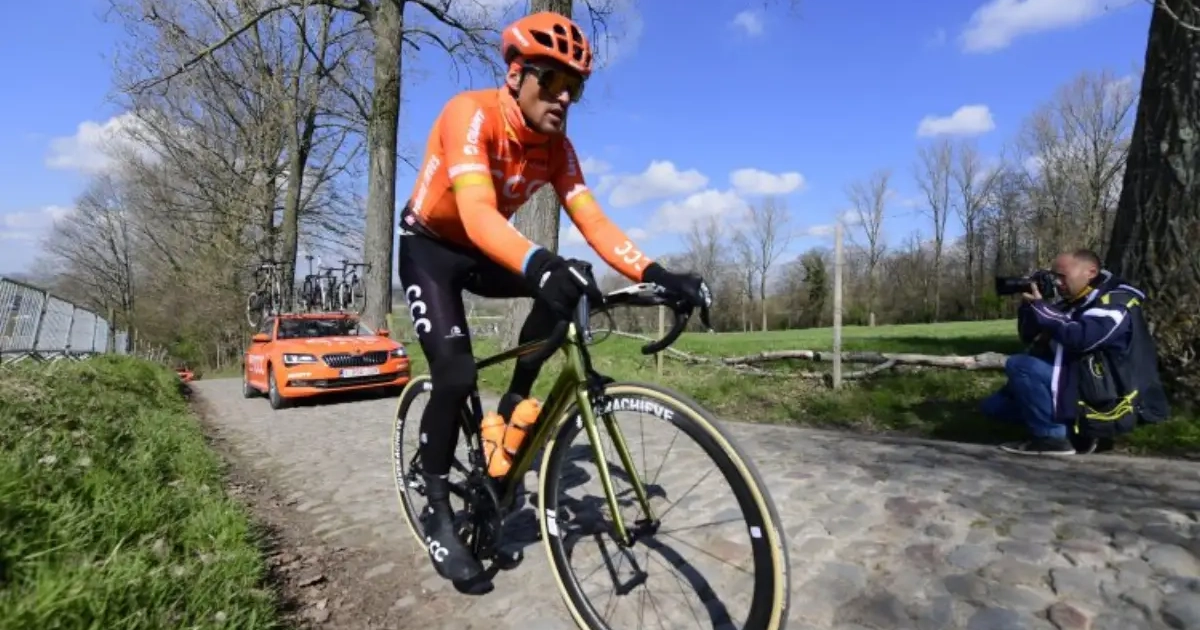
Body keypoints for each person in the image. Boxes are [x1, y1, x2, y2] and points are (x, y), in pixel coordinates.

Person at [396, 11, 712, 583]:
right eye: (551, 80)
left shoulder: (558, 149)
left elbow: (594, 222)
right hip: (432, 250)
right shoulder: (471, 114)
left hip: (485, 250)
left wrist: (660, 274)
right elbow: (477, 213)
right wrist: (539, 264)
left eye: (575, 87)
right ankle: (438, 510)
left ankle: (512, 405)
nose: (563, 97)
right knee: (456, 374)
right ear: (515, 76)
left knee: (573, 278)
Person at [981, 248, 1168, 456]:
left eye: (1062, 276)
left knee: (1021, 366)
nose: (1057, 282)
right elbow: (1029, 336)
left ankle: (1053, 439)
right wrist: (1030, 307)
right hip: (1078, 380)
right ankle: (1078, 434)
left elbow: (1081, 338)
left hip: (1110, 396)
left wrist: (1044, 311)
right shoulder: (1074, 300)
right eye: (1054, 276)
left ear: (1091, 272)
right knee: (995, 407)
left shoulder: (1116, 302)